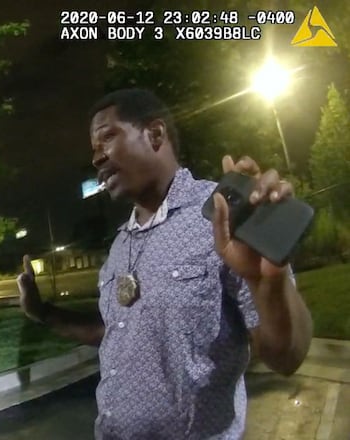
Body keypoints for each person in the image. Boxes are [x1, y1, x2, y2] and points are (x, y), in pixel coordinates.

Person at [17, 88, 313, 439]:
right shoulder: (118, 247)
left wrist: (269, 285)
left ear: (155, 134)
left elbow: (286, 356)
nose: (97, 158)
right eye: (93, 148)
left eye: (107, 138)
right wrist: (44, 313)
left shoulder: (223, 217)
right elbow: (117, 333)